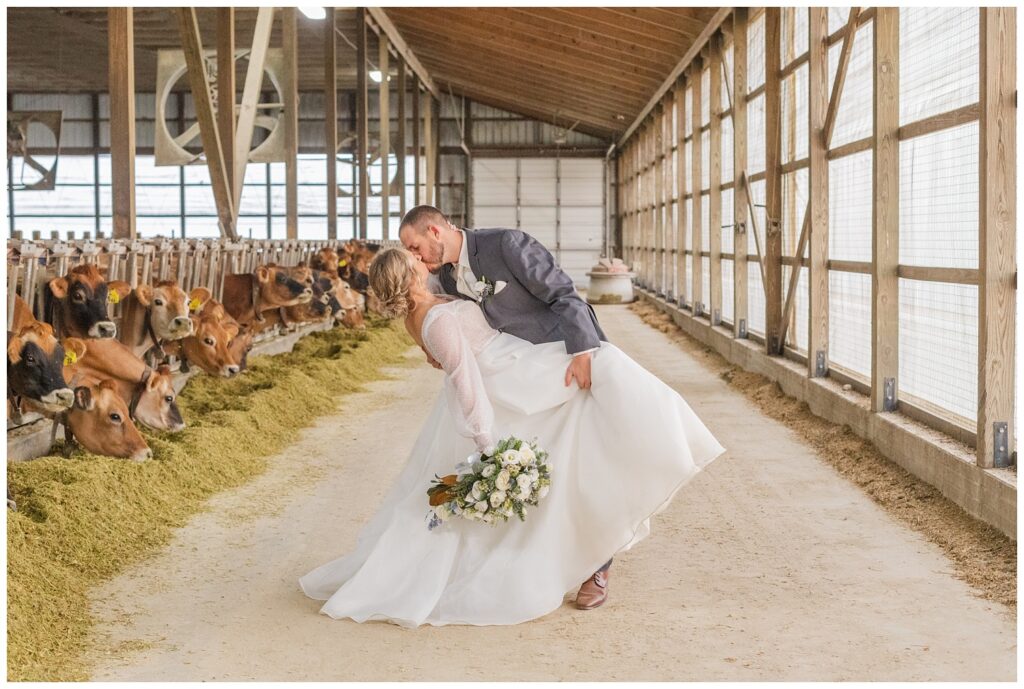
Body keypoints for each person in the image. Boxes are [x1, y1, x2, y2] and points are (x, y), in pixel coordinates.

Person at [298, 216, 725, 628]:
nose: (417, 257)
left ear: (434, 230)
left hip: (543, 358)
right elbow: (452, 358)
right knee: (558, 462)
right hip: (503, 385)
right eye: (410, 257)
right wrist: (483, 434)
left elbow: (564, 294)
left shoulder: (505, 246)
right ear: (407, 276)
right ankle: (575, 553)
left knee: (606, 377)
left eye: (414, 247)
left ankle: (624, 519)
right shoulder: (437, 285)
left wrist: (581, 350)